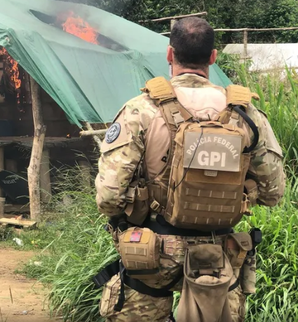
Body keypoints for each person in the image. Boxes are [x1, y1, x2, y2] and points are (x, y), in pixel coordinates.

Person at [94, 17, 285, 322]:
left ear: (170, 54)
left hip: (152, 255)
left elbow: (108, 197)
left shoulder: (140, 110)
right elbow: (274, 192)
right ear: (213, 57)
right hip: (221, 255)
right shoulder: (246, 114)